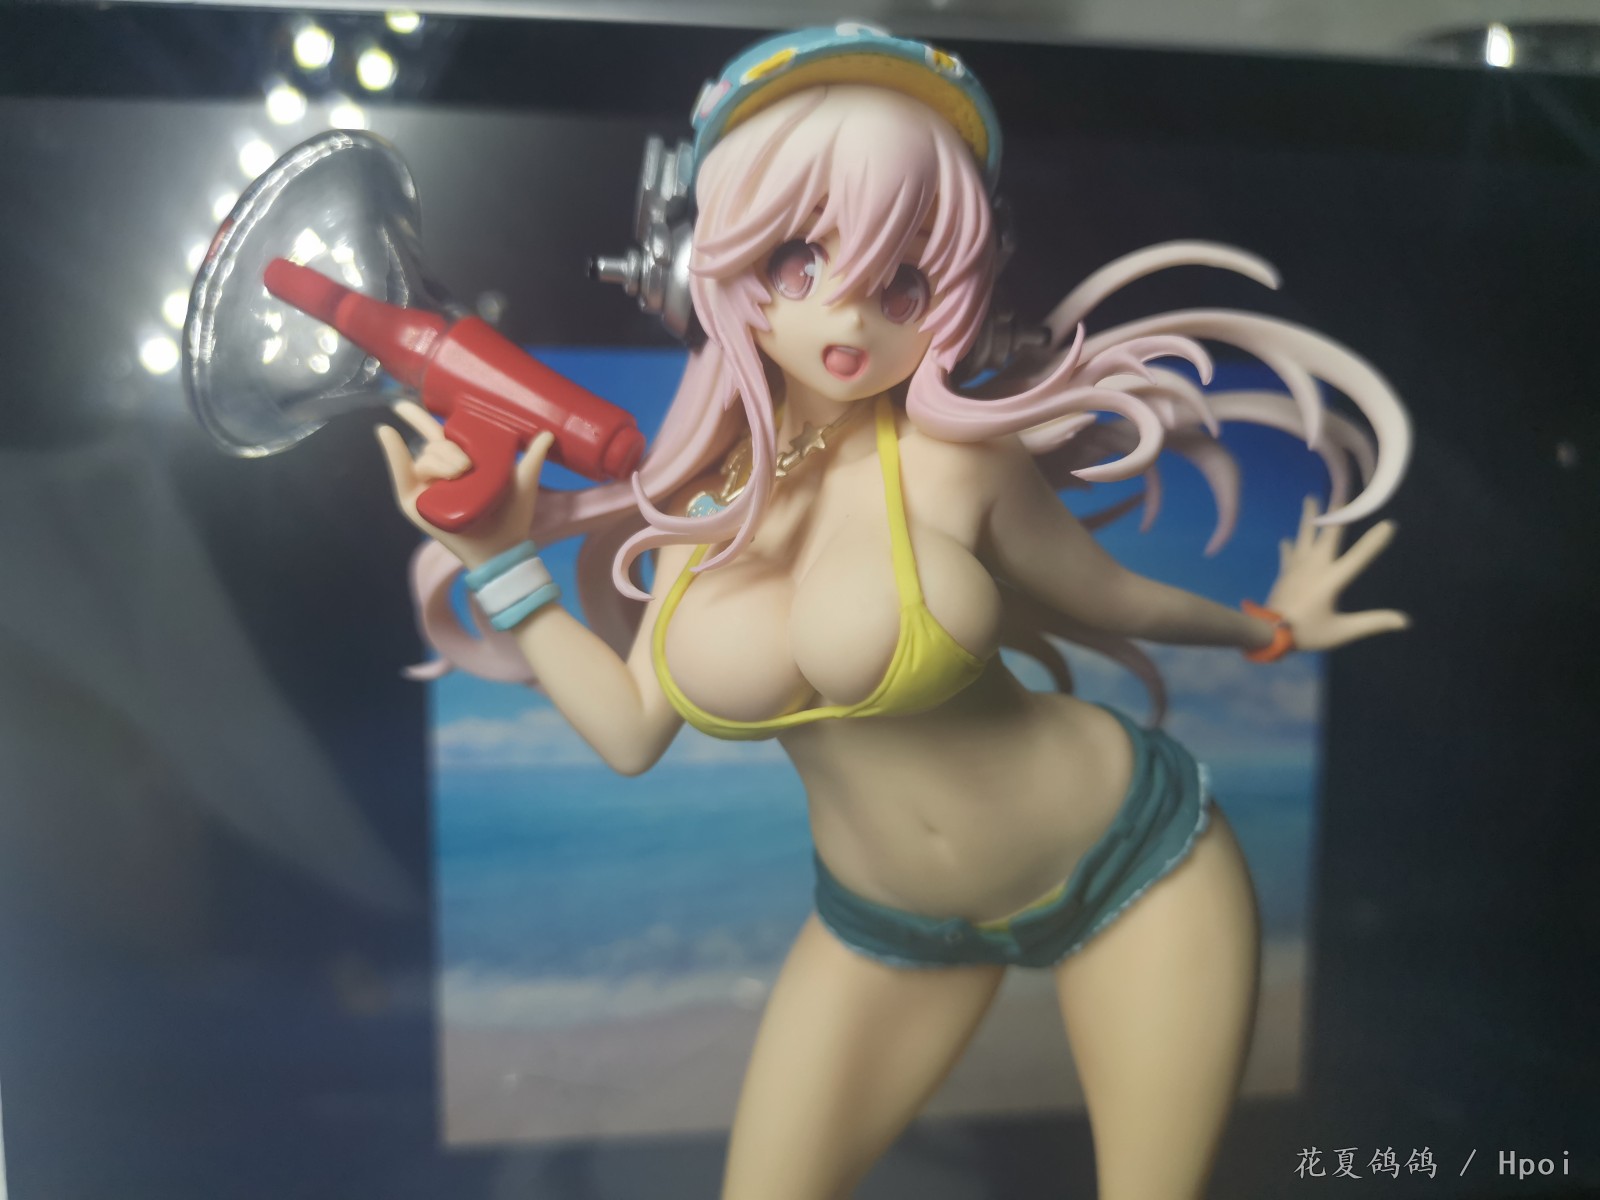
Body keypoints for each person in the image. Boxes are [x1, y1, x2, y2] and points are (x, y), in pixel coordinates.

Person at [378, 26, 1410, 1200]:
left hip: (1129, 862)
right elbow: (627, 732)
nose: (849, 316)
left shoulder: (959, 465)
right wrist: (497, 559)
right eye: (796, 261)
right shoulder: (698, 506)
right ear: (703, 265)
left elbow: (1111, 596)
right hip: (887, 925)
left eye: (903, 282)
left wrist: (1271, 629)